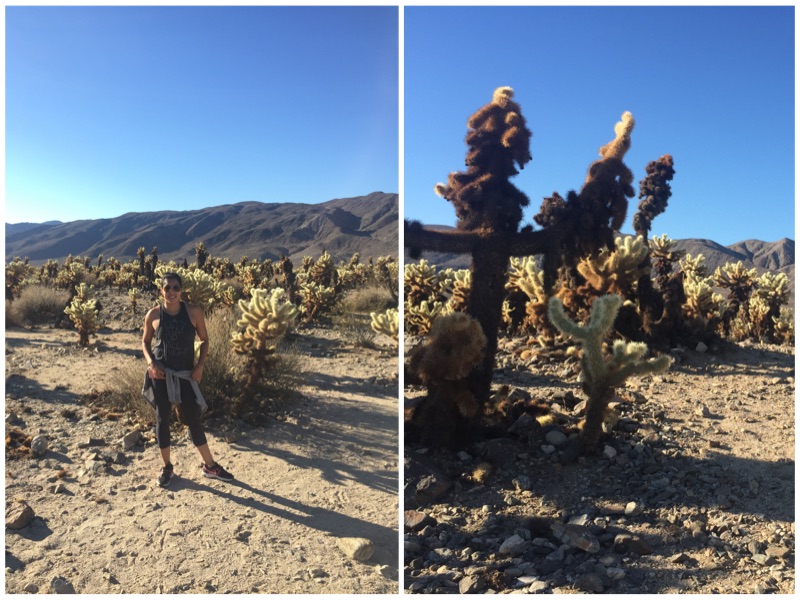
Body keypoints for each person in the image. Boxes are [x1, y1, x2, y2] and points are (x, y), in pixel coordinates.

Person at [141, 272, 233, 487]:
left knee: (192, 418)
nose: (171, 292)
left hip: (185, 374)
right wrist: (150, 363)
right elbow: (145, 342)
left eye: (176, 288)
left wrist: (200, 366)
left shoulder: (193, 312)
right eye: (167, 288)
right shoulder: (153, 315)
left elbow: (204, 340)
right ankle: (167, 468)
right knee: (162, 418)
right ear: (161, 290)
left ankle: (210, 466)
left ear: (181, 291)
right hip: (161, 374)